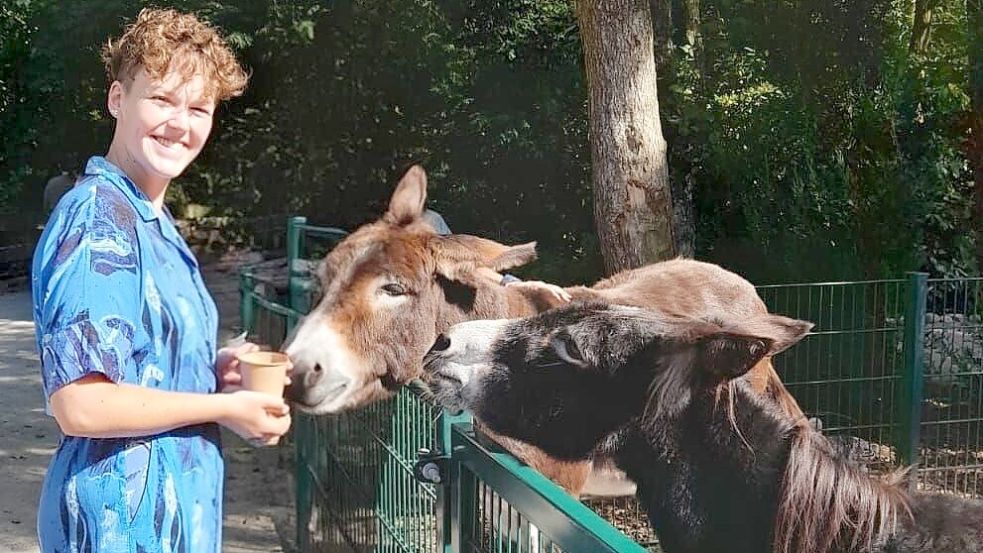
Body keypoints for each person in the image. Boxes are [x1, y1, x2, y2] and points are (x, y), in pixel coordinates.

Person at [31, 9, 291, 552]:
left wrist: (207, 371)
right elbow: (81, 404)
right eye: (162, 100)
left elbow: (137, 363)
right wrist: (223, 409)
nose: (180, 123)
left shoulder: (152, 221)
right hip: (117, 530)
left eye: (199, 107)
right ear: (117, 100)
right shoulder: (98, 221)